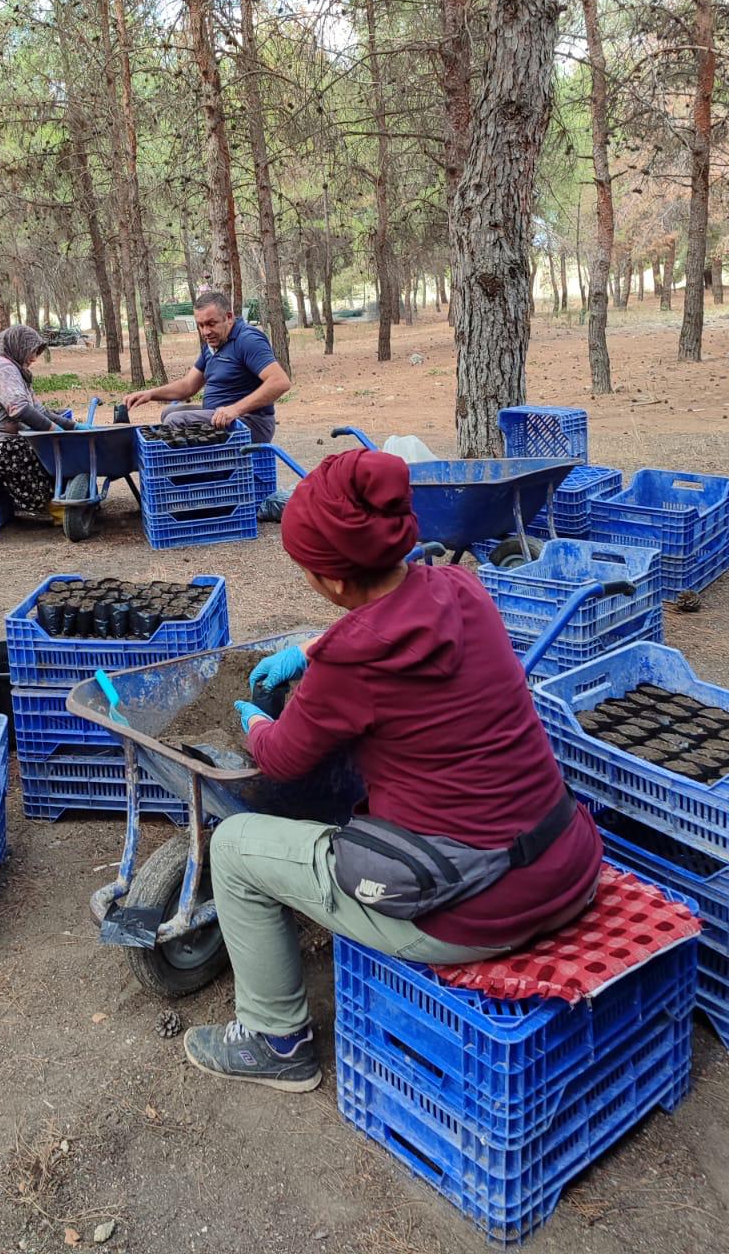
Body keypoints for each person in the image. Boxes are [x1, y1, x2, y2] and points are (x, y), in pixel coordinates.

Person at [182, 448, 603, 1093]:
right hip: (567, 865)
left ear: (337, 583)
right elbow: (391, 625)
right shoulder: (462, 588)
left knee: (236, 846)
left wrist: (255, 722)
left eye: (308, 569)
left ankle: (275, 1040)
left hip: (476, 912)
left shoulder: (352, 665)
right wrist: (309, 648)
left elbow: (280, 760)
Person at [123, 289, 290, 444]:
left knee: (175, 421)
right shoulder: (213, 345)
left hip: (250, 423)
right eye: (201, 325)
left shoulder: (247, 340)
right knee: (169, 413)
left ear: (229, 317)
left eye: (211, 323)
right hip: (220, 416)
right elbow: (188, 386)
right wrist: (150, 394)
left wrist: (235, 409)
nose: (205, 332)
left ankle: (190, 474)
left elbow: (280, 382)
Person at [0, 325, 74, 513]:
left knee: (46, 448)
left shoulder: (17, 371)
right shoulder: (1, 368)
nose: (34, 358)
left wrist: (73, 427)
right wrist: (54, 431)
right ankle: (51, 506)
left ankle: (61, 499)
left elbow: (40, 411)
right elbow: (19, 410)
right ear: (18, 347)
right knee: (28, 453)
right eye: (32, 352)